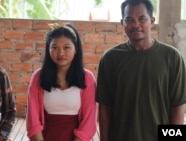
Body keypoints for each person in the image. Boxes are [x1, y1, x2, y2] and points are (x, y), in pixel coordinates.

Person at [96, 0, 186, 141]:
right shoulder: (110, 59)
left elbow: (178, 106)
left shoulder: (172, 57)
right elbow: (105, 108)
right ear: (122, 23)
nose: (136, 25)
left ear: (151, 20)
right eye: (129, 20)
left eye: (142, 19)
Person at [26, 23, 97, 141]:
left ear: (76, 49)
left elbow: (89, 121)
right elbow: (33, 119)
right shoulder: (39, 77)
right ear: (48, 49)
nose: (60, 53)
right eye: (54, 47)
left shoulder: (87, 78)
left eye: (66, 47)